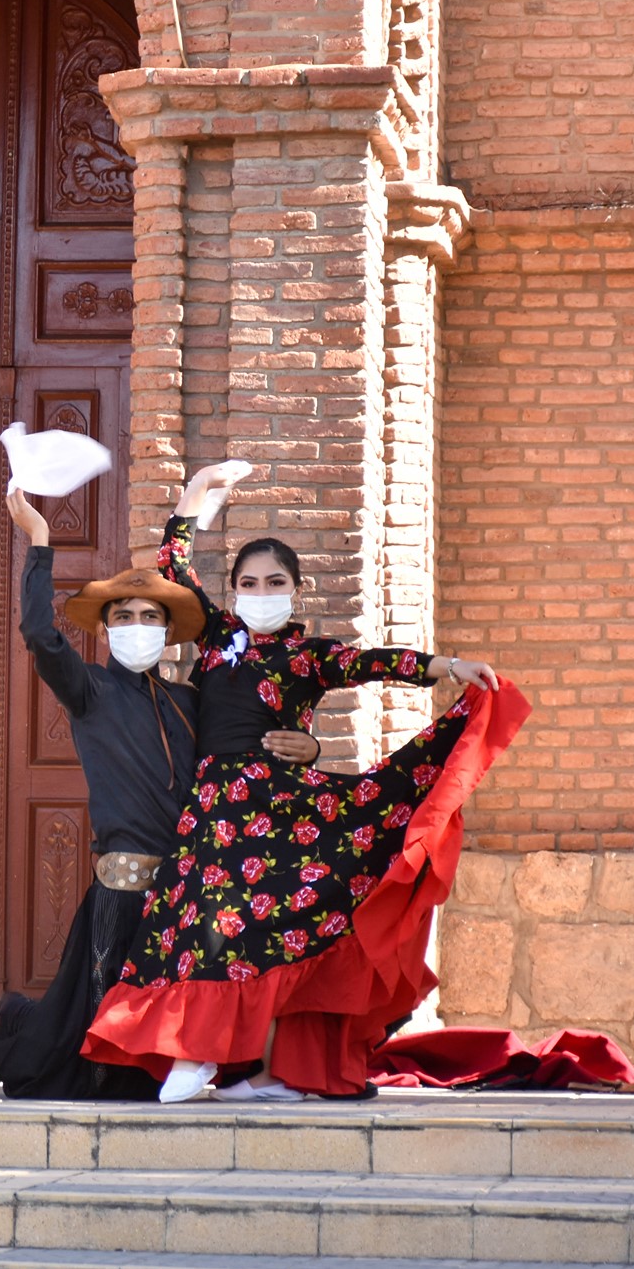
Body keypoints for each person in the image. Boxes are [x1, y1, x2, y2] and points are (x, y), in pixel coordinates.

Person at [82, 461, 529, 1102]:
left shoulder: (310, 654)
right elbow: (173, 569)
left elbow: (377, 663)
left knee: (268, 932)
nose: (261, 591)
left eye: (275, 582)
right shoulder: (214, 638)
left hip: (283, 814)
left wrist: (450, 665)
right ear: (232, 592)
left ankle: (264, 1072)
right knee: (198, 924)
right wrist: (192, 495)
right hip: (212, 809)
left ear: (296, 589)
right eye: (248, 582)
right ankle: (201, 1057)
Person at [0, 488, 321, 1100]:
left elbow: (254, 736)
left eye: (151, 617)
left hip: (187, 886)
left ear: (169, 631)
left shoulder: (191, 700)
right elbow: (38, 634)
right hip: (122, 883)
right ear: (106, 630)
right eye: (124, 617)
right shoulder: (90, 693)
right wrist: (41, 542)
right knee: (91, 1040)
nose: (138, 627)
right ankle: (17, 1028)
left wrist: (310, 748)